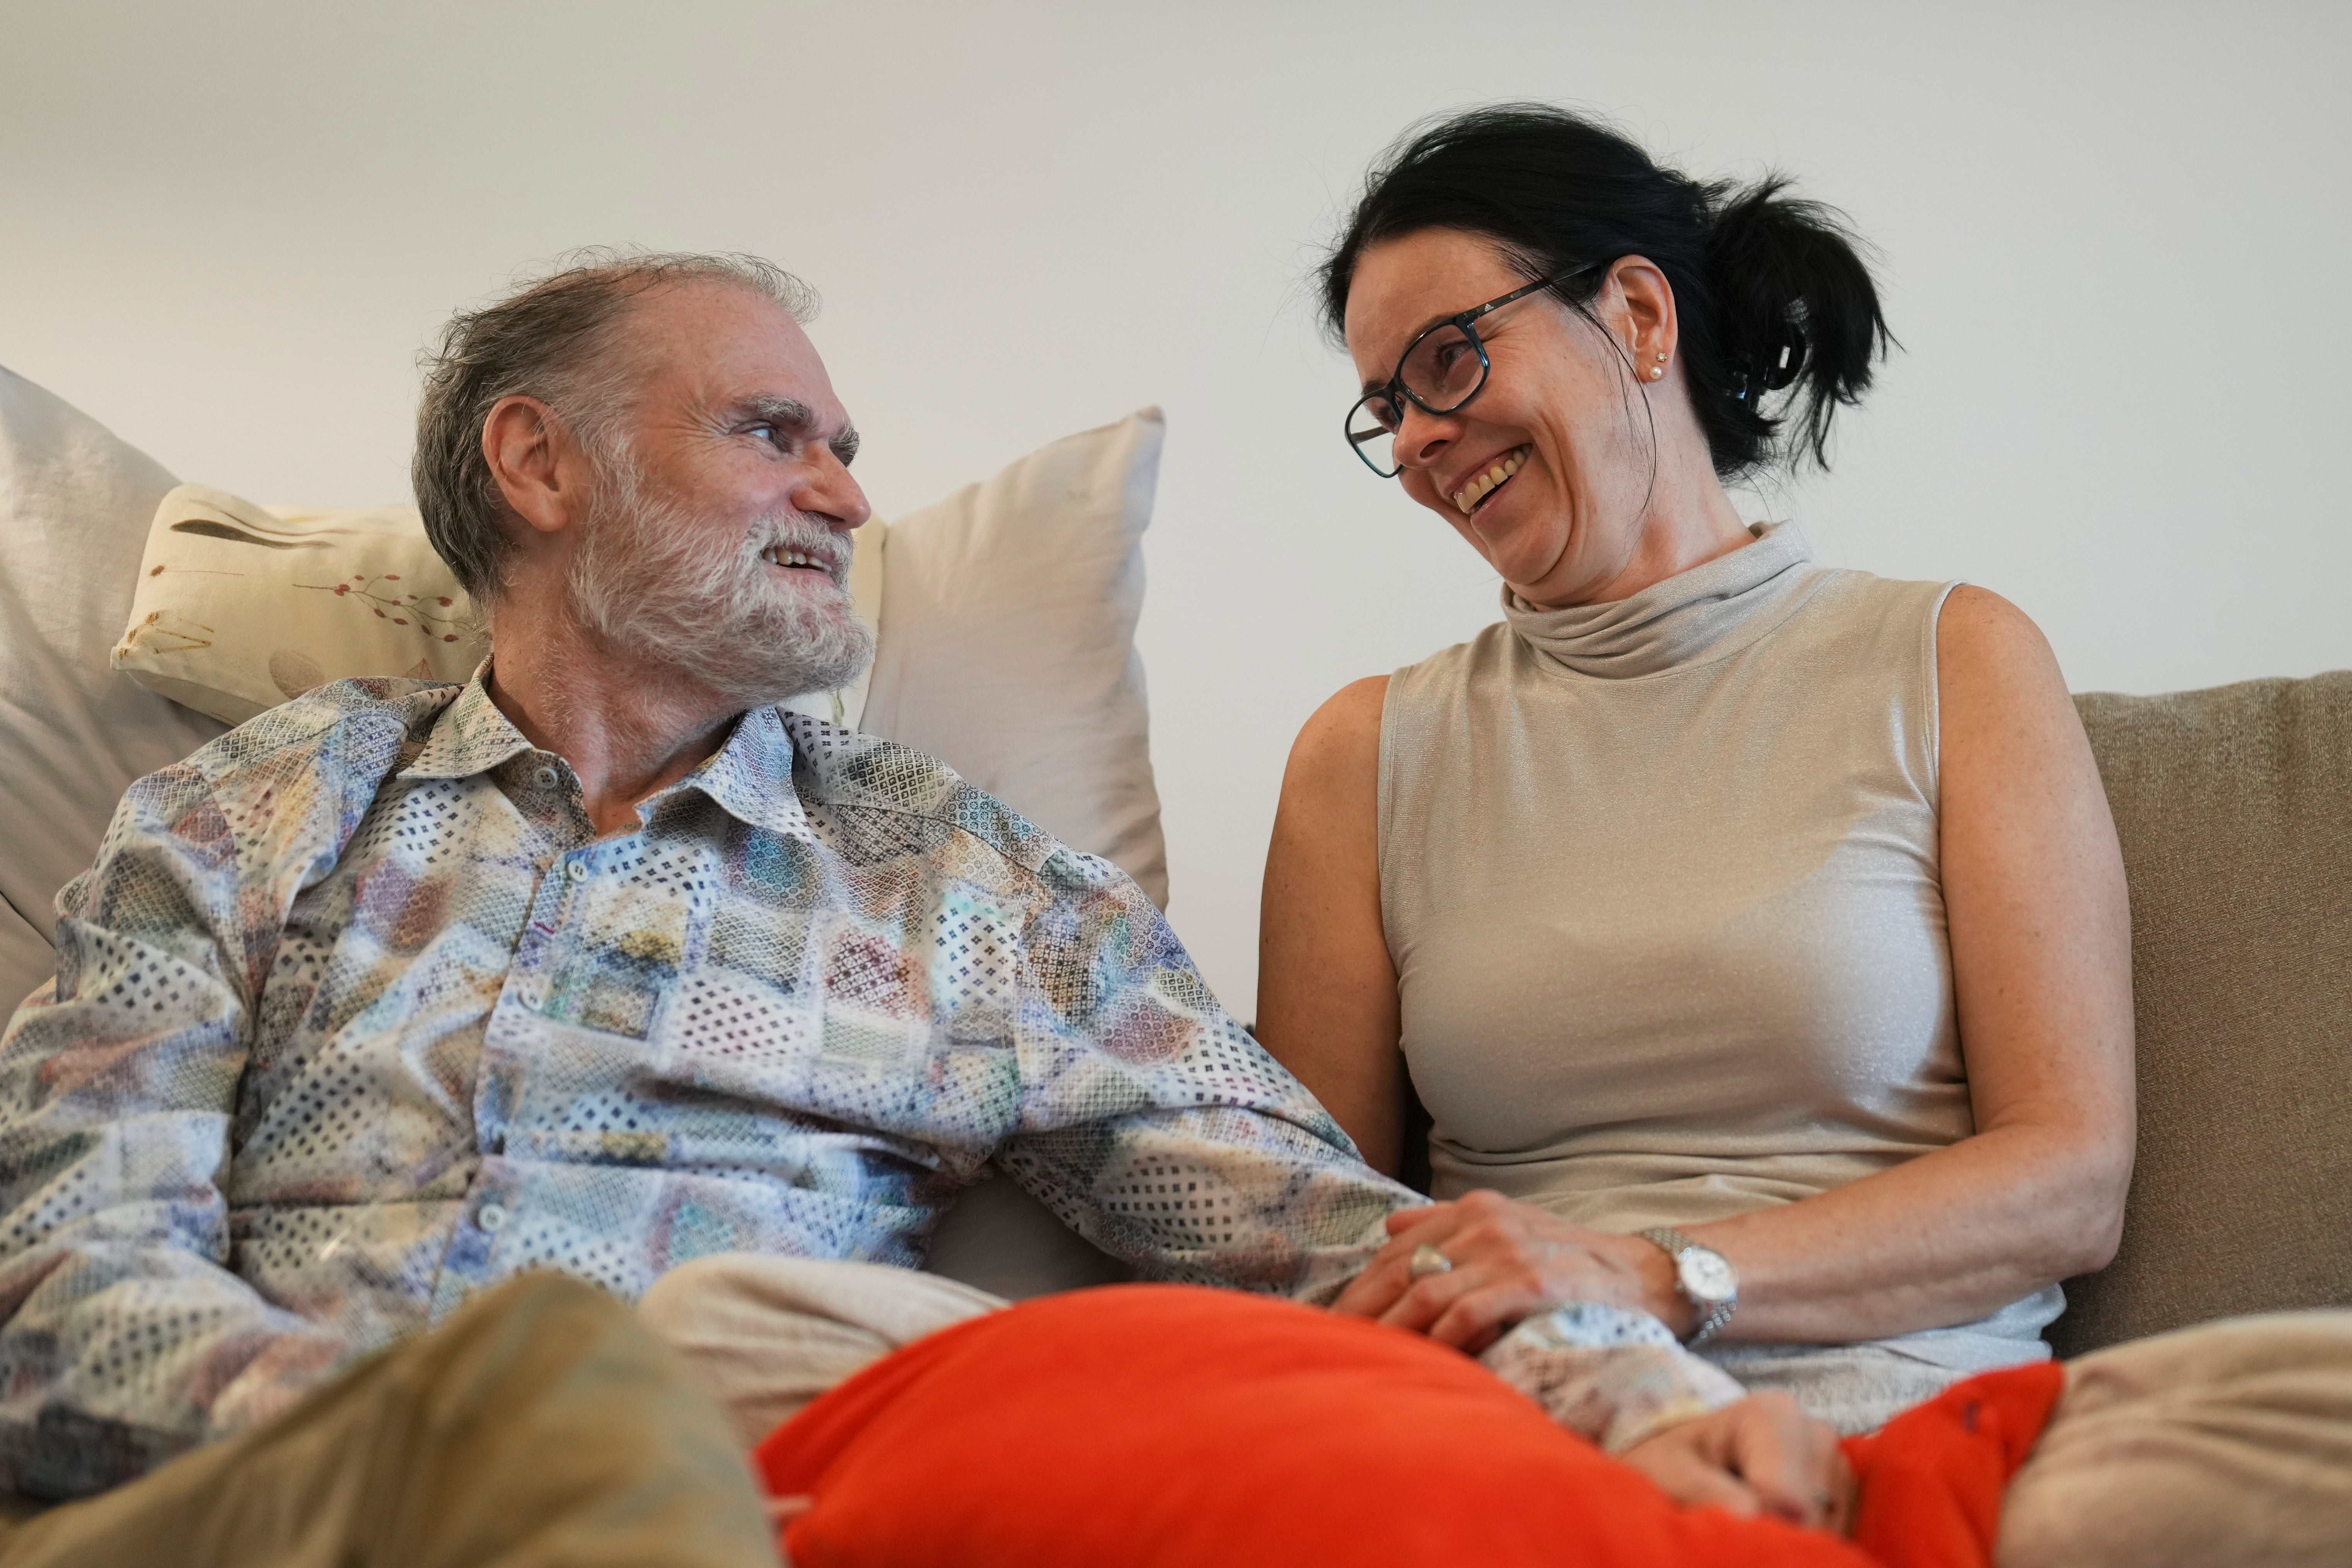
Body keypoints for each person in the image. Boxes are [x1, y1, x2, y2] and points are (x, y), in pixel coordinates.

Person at [0, 249, 1852, 1561]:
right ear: (539, 463)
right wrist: (428, 1440)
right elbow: (60, 1273)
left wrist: (1645, 1408)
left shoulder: (958, 882)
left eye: (845, 445)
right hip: (242, 1513)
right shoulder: (255, 808)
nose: (846, 491)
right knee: (565, 1391)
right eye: (772, 433)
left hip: (754, 1494)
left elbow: (1316, 1229)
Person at [1256, 103, 2142, 1435]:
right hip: (1525, 1427)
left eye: (1446, 361)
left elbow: (2069, 1181)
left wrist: (1662, 1277)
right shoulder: (1364, 754)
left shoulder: (1951, 657)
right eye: (1386, 406)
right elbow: (1306, 1230)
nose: (1419, 440)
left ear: (1637, 316)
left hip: (1890, 1411)